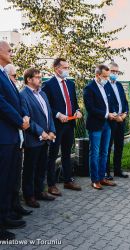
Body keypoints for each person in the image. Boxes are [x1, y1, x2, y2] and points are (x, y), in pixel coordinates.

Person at [0, 41, 29, 240]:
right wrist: (19, 120)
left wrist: (24, 117)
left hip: (11, 135)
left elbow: (16, 101)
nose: (11, 52)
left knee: (9, 179)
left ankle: (7, 215)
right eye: (8, 49)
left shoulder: (4, 74)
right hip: (4, 135)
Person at [43, 58, 82, 196]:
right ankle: (51, 185)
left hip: (70, 124)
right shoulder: (48, 85)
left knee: (67, 153)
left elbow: (75, 103)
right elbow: (46, 106)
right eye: (64, 67)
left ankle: (68, 180)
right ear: (56, 68)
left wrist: (77, 111)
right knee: (53, 155)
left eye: (68, 67)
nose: (67, 70)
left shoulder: (70, 84)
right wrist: (58, 114)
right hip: (56, 125)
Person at [21, 68, 57, 208]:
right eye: (37, 77)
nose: (40, 79)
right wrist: (41, 132)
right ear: (29, 79)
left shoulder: (42, 93)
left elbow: (49, 113)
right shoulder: (23, 95)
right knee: (30, 168)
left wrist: (52, 130)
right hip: (33, 138)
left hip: (46, 137)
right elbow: (27, 118)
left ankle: (39, 191)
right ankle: (29, 196)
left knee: (42, 167)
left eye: (40, 77)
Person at [4, 64, 33, 216]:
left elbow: (21, 106)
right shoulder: (5, 85)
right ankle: (7, 211)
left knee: (15, 176)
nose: (16, 79)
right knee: (6, 179)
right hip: (9, 135)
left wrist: (26, 116)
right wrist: (20, 121)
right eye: (14, 76)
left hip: (18, 138)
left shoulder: (13, 87)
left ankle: (14, 206)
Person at [83, 64, 117, 190]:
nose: (107, 79)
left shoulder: (106, 86)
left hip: (107, 124)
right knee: (95, 153)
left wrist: (113, 113)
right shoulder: (89, 88)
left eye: (107, 77)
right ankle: (95, 179)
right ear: (97, 75)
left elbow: (109, 103)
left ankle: (102, 177)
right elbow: (91, 108)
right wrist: (107, 114)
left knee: (105, 152)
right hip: (96, 125)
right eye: (104, 76)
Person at [104, 62, 129, 180]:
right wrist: (116, 116)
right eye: (112, 71)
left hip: (121, 120)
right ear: (107, 71)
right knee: (108, 147)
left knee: (120, 146)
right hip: (111, 121)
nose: (114, 73)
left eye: (116, 72)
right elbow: (107, 104)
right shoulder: (104, 85)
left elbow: (125, 101)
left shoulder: (119, 85)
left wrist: (125, 113)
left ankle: (118, 170)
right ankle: (106, 172)